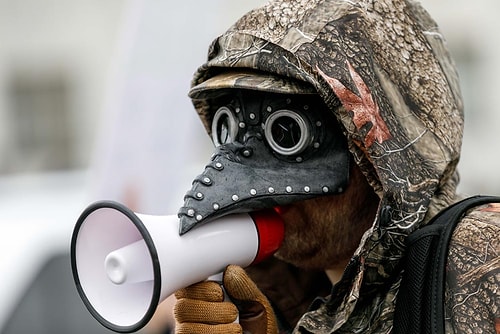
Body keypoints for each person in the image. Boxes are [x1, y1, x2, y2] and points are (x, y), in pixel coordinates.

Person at [172, 0, 500, 333]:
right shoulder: (280, 299)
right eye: (227, 128)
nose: (255, 173)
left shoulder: (481, 256)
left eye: (288, 133)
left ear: (375, 147)